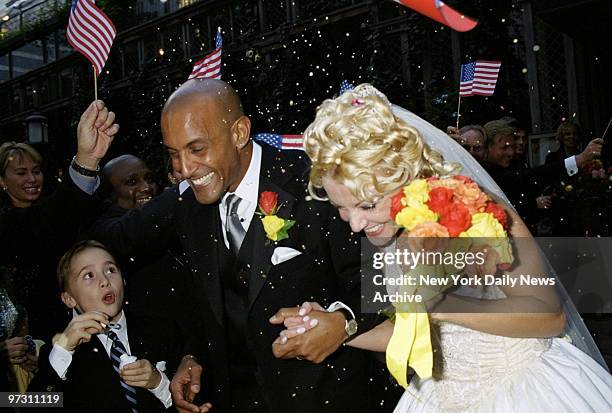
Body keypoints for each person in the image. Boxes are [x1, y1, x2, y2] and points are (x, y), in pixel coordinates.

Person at [276, 84, 612, 412]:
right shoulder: (387, 232)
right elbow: (413, 329)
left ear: (402, 177)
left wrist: (441, 304)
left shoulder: (474, 209)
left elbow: (550, 316)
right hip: (438, 398)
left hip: (521, 390)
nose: (355, 224)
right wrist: (338, 329)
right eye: (341, 208)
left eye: (367, 204)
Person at [88, 79, 400, 412]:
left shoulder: (315, 184)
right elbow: (114, 240)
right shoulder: (185, 205)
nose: (184, 169)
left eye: (196, 149)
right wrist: (194, 354)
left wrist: (343, 321)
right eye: (173, 154)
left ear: (239, 133)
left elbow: (380, 277)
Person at [0, 103, 119, 342]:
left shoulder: (56, 214)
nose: (32, 179)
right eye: (21, 173)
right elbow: (49, 219)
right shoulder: (10, 225)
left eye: (36, 170)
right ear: (2, 181)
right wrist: (86, 160)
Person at [27, 240, 185, 412]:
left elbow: (197, 401)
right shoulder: (59, 352)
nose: (104, 281)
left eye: (111, 270)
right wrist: (62, 352)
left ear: (123, 280)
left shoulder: (162, 331)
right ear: (69, 299)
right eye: (89, 275)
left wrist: (159, 383)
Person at [99, 154, 203, 350]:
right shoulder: (107, 230)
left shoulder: (171, 216)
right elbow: (135, 230)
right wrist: (187, 187)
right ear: (111, 194)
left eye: (149, 178)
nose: (146, 187)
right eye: (131, 182)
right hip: (151, 351)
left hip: (195, 342)